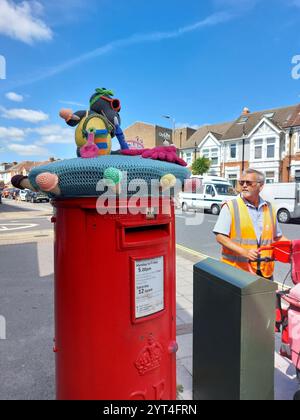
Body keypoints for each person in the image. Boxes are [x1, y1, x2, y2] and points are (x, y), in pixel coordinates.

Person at [214, 168, 289, 280]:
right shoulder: (231, 206)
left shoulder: (269, 208)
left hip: (265, 271)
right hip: (238, 271)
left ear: (261, 186)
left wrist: (293, 248)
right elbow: (220, 237)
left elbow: (277, 237)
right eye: (241, 182)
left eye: (249, 183)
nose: (244, 185)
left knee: (266, 298)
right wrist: (244, 252)